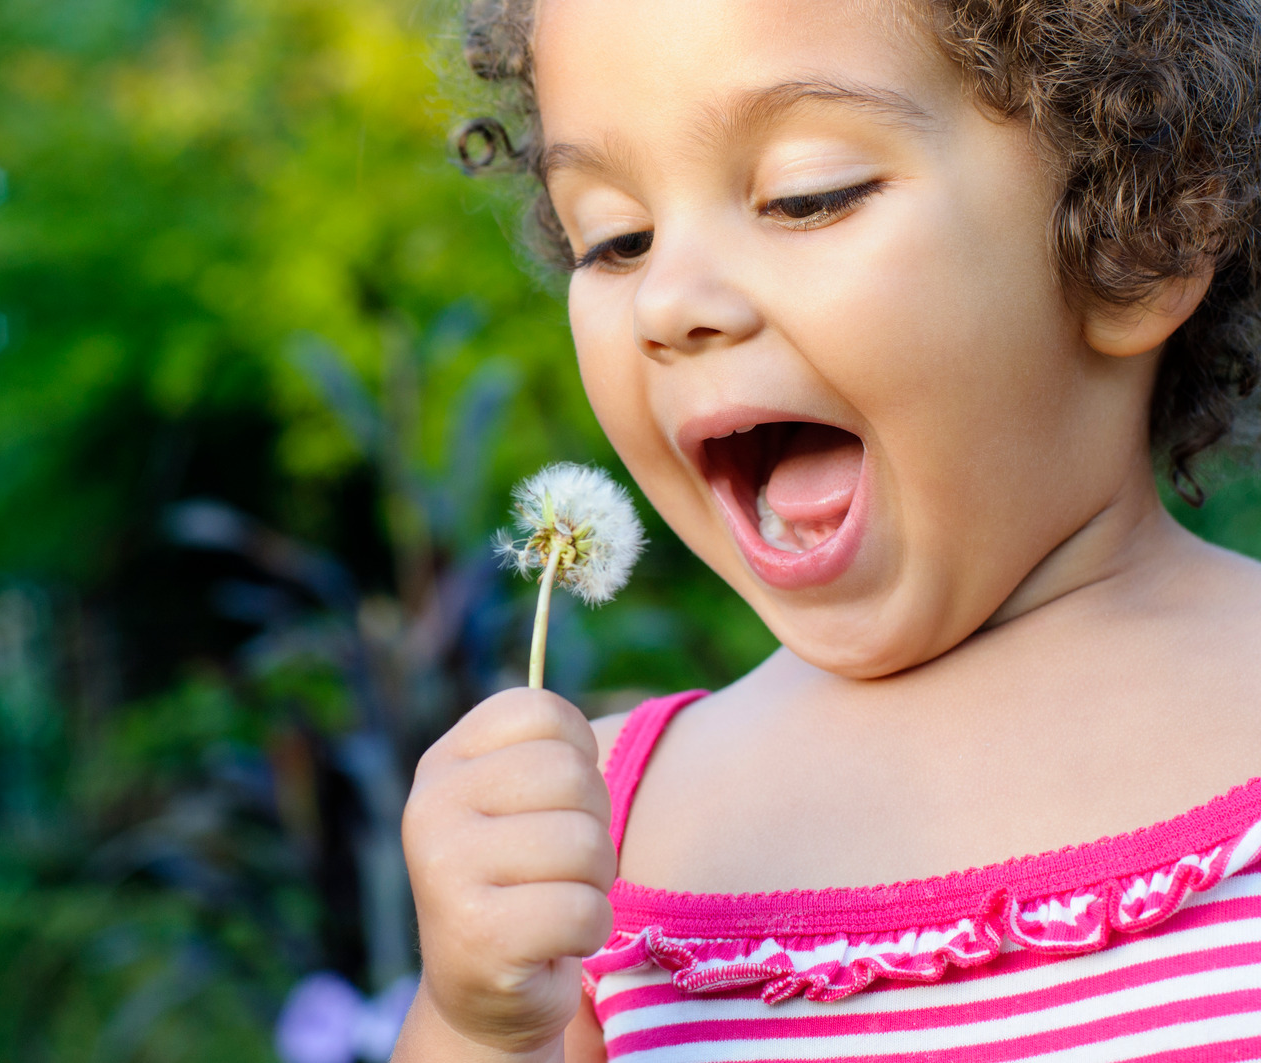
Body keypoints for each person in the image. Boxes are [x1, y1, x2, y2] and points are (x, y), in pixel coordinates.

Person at [394, 0, 1261, 1059]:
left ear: (1143, 228)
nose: (669, 301)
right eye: (617, 239)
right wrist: (478, 1023)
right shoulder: (589, 850)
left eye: (806, 197)